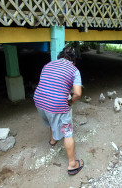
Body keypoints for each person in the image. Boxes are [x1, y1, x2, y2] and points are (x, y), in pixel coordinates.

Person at [33, 46, 85, 175]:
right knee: (68, 132)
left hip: (39, 99)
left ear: (61, 56)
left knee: (51, 118)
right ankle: (72, 165)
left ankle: (53, 140)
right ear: (74, 60)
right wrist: (70, 102)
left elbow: (47, 84)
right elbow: (78, 93)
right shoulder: (74, 70)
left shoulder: (48, 65)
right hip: (56, 103)